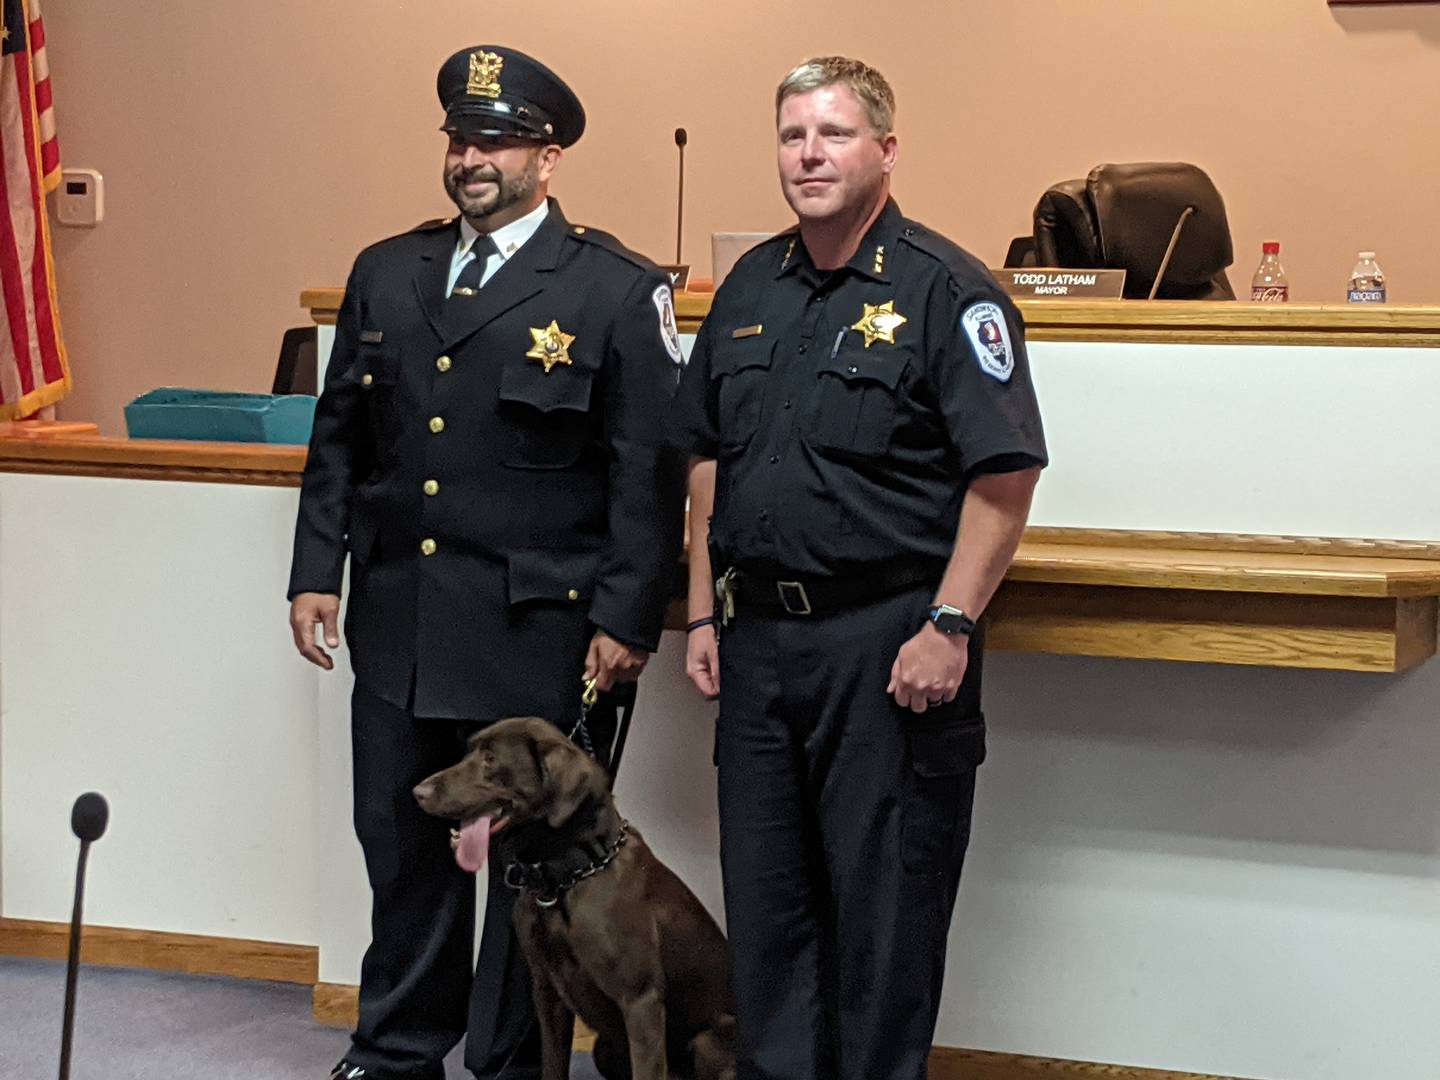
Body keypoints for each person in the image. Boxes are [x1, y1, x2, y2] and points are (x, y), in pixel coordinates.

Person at [287, 44, 685, 1080]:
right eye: (461, 139)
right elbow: (340, 440)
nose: (473, 159)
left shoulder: (613, 287)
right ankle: (398, 1047)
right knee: (404, 841)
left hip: (539, 630)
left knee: (535, 865)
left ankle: (512, 1060)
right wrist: (313, 572)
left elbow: (647, 471)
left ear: (546, 159)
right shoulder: (387, 271)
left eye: (498, 142)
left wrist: (627, 618)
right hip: (402, 616)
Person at [671, 56, 1047, 1080]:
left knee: (886, 918)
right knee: (769, 906)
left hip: (885, 645)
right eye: (793, 136)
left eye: (833, 134)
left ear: (886, 148)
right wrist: (704, 614)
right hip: (758, 651)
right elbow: (706, 452)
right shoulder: (750, 287)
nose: (809, 155)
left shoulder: (947, 290)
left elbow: (1005, 477)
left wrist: (951, 624)